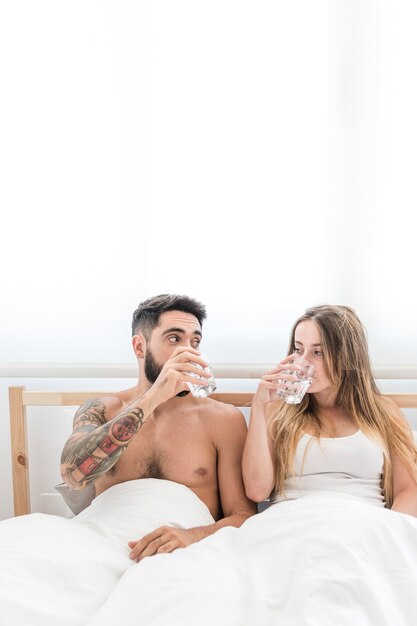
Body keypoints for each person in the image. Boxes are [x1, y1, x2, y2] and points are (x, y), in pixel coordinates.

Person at [60, 293, 256, 561]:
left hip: (185, 549)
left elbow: (244, 516)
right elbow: (74, 476)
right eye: (174, 339)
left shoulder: (223, 420)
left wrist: (191, 536)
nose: (188, 351)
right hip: (100, 542)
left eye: (195, 341)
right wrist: (154, 397)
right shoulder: (101, 410)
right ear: (140, 347)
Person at [242, 304, 417, 515]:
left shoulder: (383, 413)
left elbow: (408, 491)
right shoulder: (277, 409)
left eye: (318, 352)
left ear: (347, 356)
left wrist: (390, 531)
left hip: (365, 523)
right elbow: (257, 491)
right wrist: (259, 408)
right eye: (298, 350)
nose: (302, 362)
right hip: (292, 521)